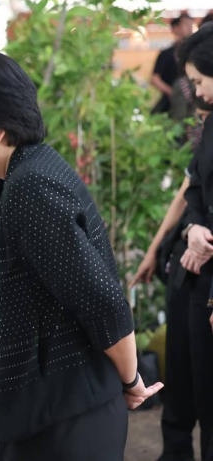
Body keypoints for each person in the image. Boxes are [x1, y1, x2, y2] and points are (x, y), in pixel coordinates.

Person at [0, 49, 163, 460]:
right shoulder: (32, 168)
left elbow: (104, 303)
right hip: (56, 412)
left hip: (62, 423)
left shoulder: (30, 187)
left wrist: (130, 379)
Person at [131, 98, 213, 461]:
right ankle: (176, 451)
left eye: (199, 81)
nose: (197, 95)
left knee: (203, 378)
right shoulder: (208, 134)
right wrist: (155, 248)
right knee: (180, 364)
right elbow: (186, 193)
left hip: (205, 266)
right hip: (187, 259)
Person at [176, 25, 213, 461]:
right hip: (204, 276)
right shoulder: (211, 125)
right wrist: (195, 228)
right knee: (206, 397)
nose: (198, 93)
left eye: (200, 81)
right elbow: (196, 192)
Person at [152, 14, 194, 115]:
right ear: (175, 28)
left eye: (191, 24)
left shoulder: (195, 52)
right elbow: (155, 79)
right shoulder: (166, 54)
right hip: (171, 103)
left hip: (193, 101)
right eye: (186, 24)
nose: (190, 27)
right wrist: (172, 92)